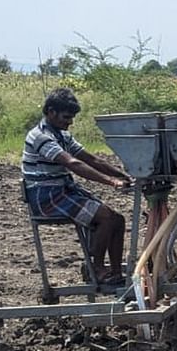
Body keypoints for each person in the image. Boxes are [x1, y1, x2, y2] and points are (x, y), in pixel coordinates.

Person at [23, 88, 132, 286]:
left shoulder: (62, 135)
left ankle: (115, 273)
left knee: (118, 219)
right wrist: (111, 182)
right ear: (50, 112)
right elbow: (73, 164)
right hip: (48, 197)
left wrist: (122, 174)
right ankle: (96, 269)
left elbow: (90, 159)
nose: (70, 122)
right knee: (106, 217)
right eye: (66, 117)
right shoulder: (41, 136)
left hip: (63, 190)